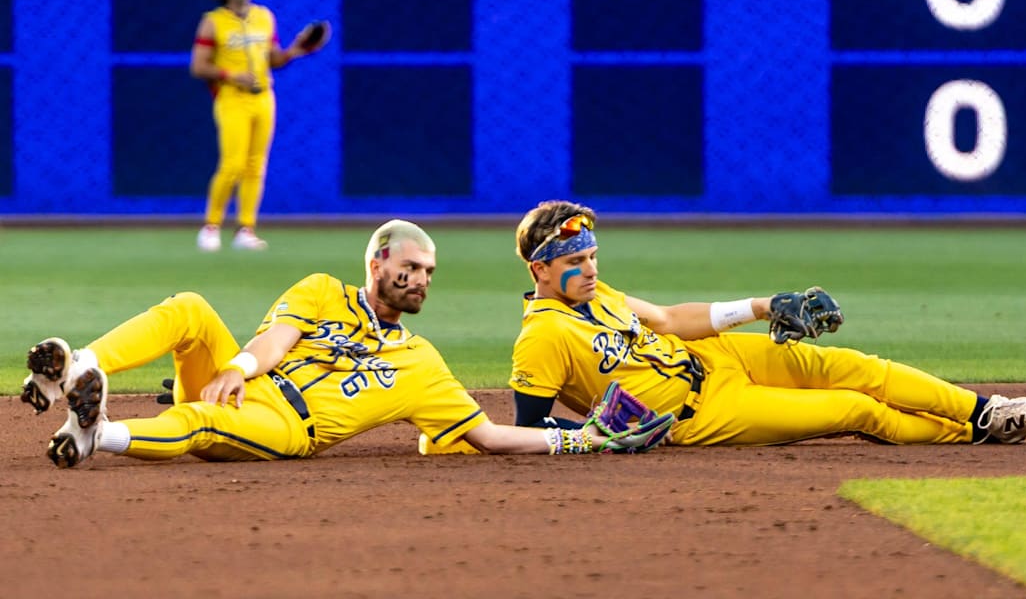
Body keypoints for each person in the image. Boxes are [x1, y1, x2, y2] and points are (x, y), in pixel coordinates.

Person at [18, 220, 674, 468]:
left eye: (427, 274)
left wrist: (580, 437)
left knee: (197, 419)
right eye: (408, 268)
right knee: (190, 309)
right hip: (253, 383)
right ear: (377, 263)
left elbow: (491, 437)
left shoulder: (422, 363)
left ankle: (94, 432)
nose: (418, 280)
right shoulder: (323, 290)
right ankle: (75, 370)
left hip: (284, 426)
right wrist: (240, 366)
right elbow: (274, 338)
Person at [505, 200, 1026, 447]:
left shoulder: (597, 292)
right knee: (856, 409)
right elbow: (527, 427)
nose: (589, 267)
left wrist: (761, 305)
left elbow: (672, 319)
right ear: (541, 269)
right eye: (574, 261)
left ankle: (991, 410)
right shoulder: (544, 335)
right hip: (702, 416)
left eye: (592, 255)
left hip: (720, 360)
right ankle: (982, 433)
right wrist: (592, 434)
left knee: (854, 367)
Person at [189, 0, 330, 252]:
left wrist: (295, 50)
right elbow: (198, 65)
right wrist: (230, 75)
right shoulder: (213, 21)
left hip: (263, 97)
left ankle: (246, 229)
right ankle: (211, 227)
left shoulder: (264, 16)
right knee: (232, 164)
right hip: (232, 98)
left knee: (255, 165)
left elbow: (273, 59)